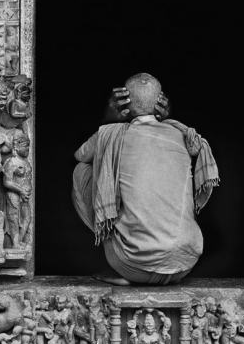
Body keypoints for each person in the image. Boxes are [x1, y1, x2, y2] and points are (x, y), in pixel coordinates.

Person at [71, 73, 218, 285]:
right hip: (185, 263)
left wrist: (108, 122)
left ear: (124, 104)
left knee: (81, 170)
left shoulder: (112, 133)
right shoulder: (180, 134)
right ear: (160, 101)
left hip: (132, 266)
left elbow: (80, 156)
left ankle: (121, 254)